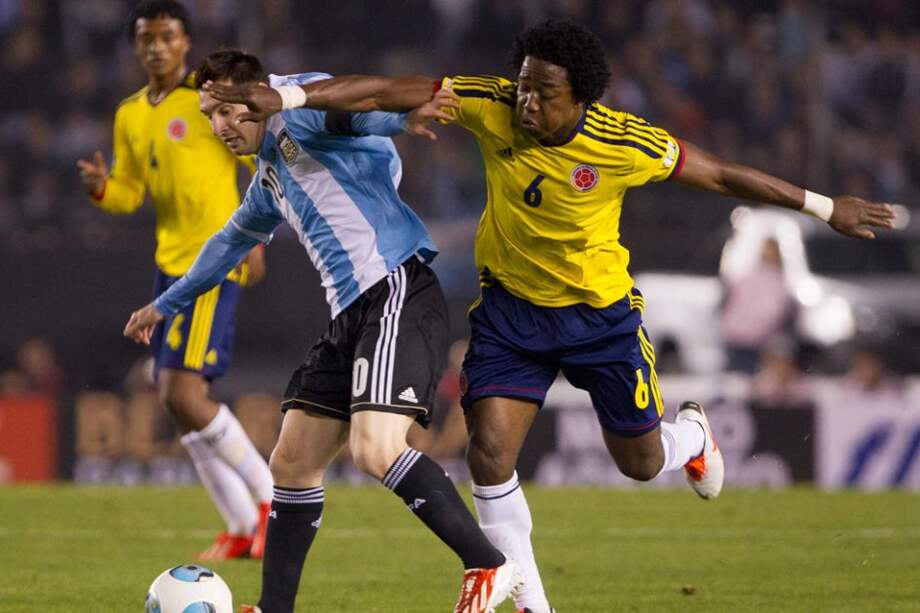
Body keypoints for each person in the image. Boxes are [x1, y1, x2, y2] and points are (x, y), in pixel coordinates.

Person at [203, 19, 896, 613]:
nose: (527, 101)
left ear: (582, 98)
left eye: (543, 92)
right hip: (510, 315)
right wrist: (288, 96)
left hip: (600, 320)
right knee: (488, 452)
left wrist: (823, 206)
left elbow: (719, 174)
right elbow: (384, 90)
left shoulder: (625, 142)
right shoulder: (494, 102)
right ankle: (531, 604)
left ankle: (689, 437)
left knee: (640, 460)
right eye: (524, 85)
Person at [123, 49, 520, 613]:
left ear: (258, 95)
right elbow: (228, 243)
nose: (220, 127)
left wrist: (399, 118)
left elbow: (354, 109)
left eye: (229, 111)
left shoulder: (297, 109)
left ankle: (486, 563)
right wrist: (165, 305)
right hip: (350, 314)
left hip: (394, 289)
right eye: (211, 115)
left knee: (375, 448)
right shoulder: (269, 176)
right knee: (291, 462)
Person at [75, 1, 273, 561]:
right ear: (136, 46)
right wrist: (102, 189)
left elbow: (258, 162)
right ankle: (241, 524)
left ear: (186, 42)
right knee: (178, 400)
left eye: (166, 36)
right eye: (147, 38)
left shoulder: (207, 102)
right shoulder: (131, 114)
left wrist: (256, 238)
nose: (156, 46)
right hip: (170, 264)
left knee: (181, 392)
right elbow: (131, 192)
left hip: (214, 260)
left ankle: (270, 503)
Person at [720, 238, 795, 373]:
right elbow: (734, 302)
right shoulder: (749, 275)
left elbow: (774, 311)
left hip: (755, 341)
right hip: (739, 337)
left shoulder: (776, 281)